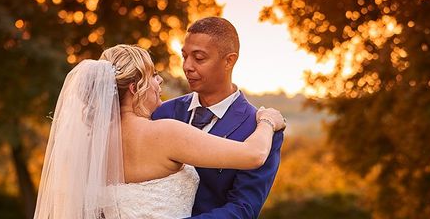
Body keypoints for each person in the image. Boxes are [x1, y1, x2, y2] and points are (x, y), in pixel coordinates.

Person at [34, 44, 285, 219]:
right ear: (134, 88)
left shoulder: (89, 144)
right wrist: (268, 121)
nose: (159, 82)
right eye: (153, 76)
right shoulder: (165, 134)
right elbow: (253, 155)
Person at [152, 17, 284, 218]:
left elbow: (243, 209)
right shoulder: (162, 113)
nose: (187, 66)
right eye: (185, 56)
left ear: (229, 61)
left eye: (199, 58)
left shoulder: (260, 131)